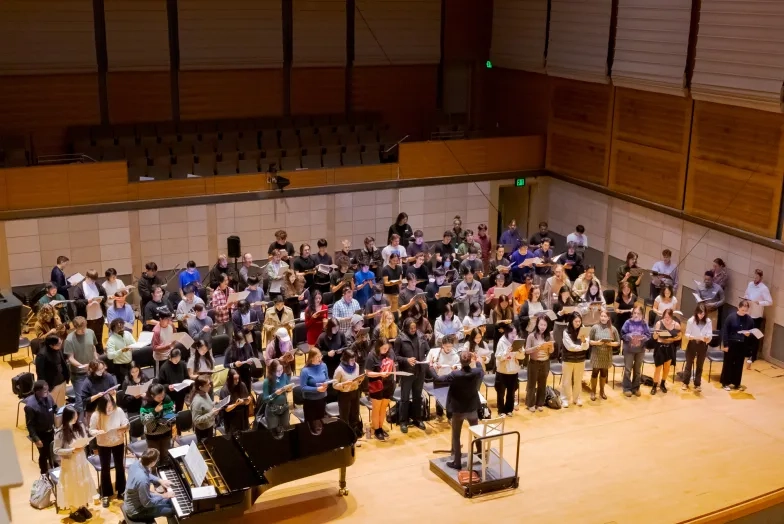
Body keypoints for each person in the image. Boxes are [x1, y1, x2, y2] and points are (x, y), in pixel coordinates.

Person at [440, 350, 483, 470]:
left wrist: (432, 368)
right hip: (472, 409)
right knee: (477, 433)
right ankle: (480, 454)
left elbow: (440, 379)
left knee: (456, 436)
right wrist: (478, 361)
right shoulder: (476, 372)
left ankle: (457, 462)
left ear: (460, 361)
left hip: (458, 410)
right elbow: (481, 370)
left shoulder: (455, 374)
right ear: (470, 360)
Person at [54, 405, 96, 522]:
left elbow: (84, 438)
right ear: (67, 417)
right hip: (70, 462)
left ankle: (81, 505)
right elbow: (56, 450)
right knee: (73, 485)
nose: (76, 419)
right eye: (73, 417)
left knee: (82, 482)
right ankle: (73, 510)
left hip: (81, 459)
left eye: (76, 416)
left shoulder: (80, 425)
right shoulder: (60, 432)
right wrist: (71, 450)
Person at [89, 394, 129, 506]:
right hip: (103, 443)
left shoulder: (119, 410)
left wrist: (124, 427)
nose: (110, 409)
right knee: (105, 468)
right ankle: (105, 494)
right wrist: (98, 432)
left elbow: (125, 422)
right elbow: (91, 430)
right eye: (107, 407)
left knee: (120, 466)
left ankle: (122, 490)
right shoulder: (96, 415)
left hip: (118, 442)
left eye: (111, 406)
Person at [394, 318, 429, 433]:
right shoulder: (400, 339)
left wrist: (429, 358)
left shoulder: (421, 335)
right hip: (407, 372)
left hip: (420, 371)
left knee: (417, 396)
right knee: (404, 398)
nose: (414, 330)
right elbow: (395, 356)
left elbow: (428, 351)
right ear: (406, 328)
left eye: (415, 328)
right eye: (411, 328)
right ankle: (403, 421)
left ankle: (417, 419)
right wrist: (406, 360)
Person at [123, 449, 175, 521]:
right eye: (156, 460)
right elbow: (147, 503)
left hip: (136, 500)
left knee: (170, 501)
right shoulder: (143, 480)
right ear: (152, 463)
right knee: (172, 510)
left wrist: (160, 480)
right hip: (137, 511)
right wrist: (163, 495)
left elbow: (146, 475)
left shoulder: (137, 463)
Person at [365, 338, 396, 441]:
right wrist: (380, 374)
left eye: (387, 348)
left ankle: (381, 427)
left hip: (388, 384)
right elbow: (368, 372)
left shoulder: (390, 352)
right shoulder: (372, 355)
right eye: (384, 348)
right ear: (378, 346)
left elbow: (393, 364)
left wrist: (394, 377)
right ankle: (377, 429)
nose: (386, 350)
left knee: (383, 408)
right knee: (376, 408)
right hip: (376, 385)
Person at [721, 300, 755, 391]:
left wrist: (749, 334)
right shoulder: (731, 317)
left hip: (742, 345)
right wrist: (726, 345)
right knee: (728, 364)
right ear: (738, 308)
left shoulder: (749, 319)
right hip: (731, 344)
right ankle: (725, 383)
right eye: (743, 310)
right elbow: (725, 332)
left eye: (746, 310)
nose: (744, 312)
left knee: (739, 364)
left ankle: (736, 383)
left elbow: (752, 332)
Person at [64, 316, 99, 407]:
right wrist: (83, 366)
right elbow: (70, 358)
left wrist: (96, 358)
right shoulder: (69, 339)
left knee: (94, 397)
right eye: (80, 329)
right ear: (75, 328)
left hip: (92, 371)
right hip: (78, 374)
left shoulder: (91, 332)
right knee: (80, 400)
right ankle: (80, 420)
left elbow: (93, 347)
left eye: (84, 328)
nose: (83, 331)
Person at [25, 380, 57, 475]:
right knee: (44, 455)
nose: (47, 392)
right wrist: (36, 439)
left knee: (54, 451)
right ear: (37, 391)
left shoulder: (49, 397)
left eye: (47, 390)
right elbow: (30, 425)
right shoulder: (30, 406)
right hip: (41, 434)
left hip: (51, 431)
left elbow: (55, 408)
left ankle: (55, 469)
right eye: (45, 391)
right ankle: (44, 474)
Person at [588, 309, 620, 401]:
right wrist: (597, 343)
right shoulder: (595, 327)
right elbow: (589, 341)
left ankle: (602, 391)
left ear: (608, 318)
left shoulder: (613, 329)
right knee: (594, 373)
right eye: (601, 316)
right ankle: (593, 391)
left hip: (606, 354)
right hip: (596, 354)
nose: (603, 318)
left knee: (604, 373)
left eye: (605, 316)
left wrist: (610, 344)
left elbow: (617, 342)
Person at [333, 349, 363, 440]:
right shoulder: (339, 370)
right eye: (351, 360)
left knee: (355, 413)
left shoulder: (356, 366)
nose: (353, 362)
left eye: (354, 359)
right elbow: (334, 385)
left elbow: (357, 379)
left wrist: (359, 381)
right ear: (346, 359)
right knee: (345, 416)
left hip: (355, 392)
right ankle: (345, 435)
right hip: (344, 395)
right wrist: (343, 384)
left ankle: (354, 433)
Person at [744, 269, 773, 366]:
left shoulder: (764, 288)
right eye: (754, 277)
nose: (755, 279)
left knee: (755, 336)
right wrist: (746, 299)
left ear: (761, 278)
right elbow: (746, 294)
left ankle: (753, 356)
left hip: (756, 315)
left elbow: (769, 302)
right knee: (747, 334)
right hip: (748, 312)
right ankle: (746, 353)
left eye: (757, 277)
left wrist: (759, 303)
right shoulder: (750, 284)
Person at [525, 314, 554, 412]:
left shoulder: (549, 335)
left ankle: (540, 403)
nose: (543, 327)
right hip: (534, 362)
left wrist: (551, 347)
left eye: (545, 325)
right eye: (541, 325)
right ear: (537, 324)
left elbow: (551, 352)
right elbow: (527, 351)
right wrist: (536, 348)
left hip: (545, 362)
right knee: (531, 384)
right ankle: (530, 404)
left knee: (542, 383)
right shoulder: (531, 336)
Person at [621, 306, 651, 397]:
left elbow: (648, 335)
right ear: (632, 313)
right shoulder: (628, 322)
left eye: (638, 313)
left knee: (637, 370)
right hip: (629, 349)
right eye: (634, 313)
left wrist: (642, 339)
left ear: (642, 315)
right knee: (628, 370)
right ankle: (627, 388)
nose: (636, 315)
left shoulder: (644, 323)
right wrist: (629, 337)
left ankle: (636, 388)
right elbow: (622, 334)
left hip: (640, 350)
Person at [300, 348, 330, 435]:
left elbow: (327, 378)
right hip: (310, 402)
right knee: (310, 425)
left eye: (320, 356)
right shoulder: (305, 371)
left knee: (321, 422)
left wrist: (326, 384)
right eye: (317, 357)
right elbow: (303, 387)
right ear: (311, 358)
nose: (320, 358)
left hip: (322, 399)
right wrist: (316, 389)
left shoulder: (323, 366)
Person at [683, 304, 712, 392]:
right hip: (692, 343)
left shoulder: (708, 321)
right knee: (689, 363)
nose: (701, 316)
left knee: (700, 365)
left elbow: (710, 334)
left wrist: (708, 338)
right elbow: (687, 333)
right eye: (700, 314)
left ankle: (697, 384)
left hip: (702, 345)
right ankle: (685, 382)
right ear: (696, 312)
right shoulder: (691, 320)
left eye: (703, 314)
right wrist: (691, 337)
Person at [651, 309, 681, 395]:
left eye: (669, 317)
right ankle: (654, 385)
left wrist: (671, 339)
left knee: (667, 367)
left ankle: (663, 384)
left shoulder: (676, 324)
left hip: (670, 347)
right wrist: (656, 334)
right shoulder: (659, 323)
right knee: (658, 367)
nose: (667, 319)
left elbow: (679, 336)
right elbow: (654, 337)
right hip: (660, 347)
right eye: (665, 317)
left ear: (672, 317)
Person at [561, 312, 588, 407]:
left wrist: (584, 342)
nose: (578, 323)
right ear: (571, 321)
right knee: (566, 381)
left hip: (580, 359)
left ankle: (577, 398)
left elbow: (587, 345)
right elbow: (570, 347)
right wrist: (582, 346)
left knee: (578, 380)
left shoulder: (584, 330)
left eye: (579, 321)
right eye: (576, 321)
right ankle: (564, 399)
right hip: (568, 359)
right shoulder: (566, 332)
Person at [494, 324, 522, 417]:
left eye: (515, 332)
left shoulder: (518, 341)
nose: (514, 335)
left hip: (513, 371)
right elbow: (498, 356)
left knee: (511, 391)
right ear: (507, 333)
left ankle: (509, 409)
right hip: (502, 371)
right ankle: (501, 410)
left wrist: (520, 353)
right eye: (511, 332)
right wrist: (507, 353)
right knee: (501, 392)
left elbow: (522, 356)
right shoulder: (501, 342)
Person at [140, 383, 174, 456]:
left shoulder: (167, 399)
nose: (161, 398)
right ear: (152, 396)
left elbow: (172, 412)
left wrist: (168, 418)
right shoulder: (146, 404)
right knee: (155, 459)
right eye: (159, 397)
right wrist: (155, 411)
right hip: (152, 435)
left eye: (163, 395)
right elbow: (144, 421)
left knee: (167, 456)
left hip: (166, 432)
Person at [35, 335, 69, 406]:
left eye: (61, 342)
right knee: (51, 406)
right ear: (51, 345)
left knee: (61, 405)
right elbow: (40, 373)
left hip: (62, 382)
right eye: (58, 344)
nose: (60, 345)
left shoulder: (58, 349)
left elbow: (63, 363)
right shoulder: (42, 355)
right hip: (51, 385)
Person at [261, 359, 291, 439]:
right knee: (275, 432)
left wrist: (289, 388)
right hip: (272, 410)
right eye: (277, 370)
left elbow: (288, 385)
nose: (280, 372)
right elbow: (265, 399)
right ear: (272, 370)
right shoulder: (267, 381)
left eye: (281, 369)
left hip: (284, 408)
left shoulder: (284, 376)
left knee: (284, 429)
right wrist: (275, 394)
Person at [220, 368, 251, 434]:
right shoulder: (224, 390)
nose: (237, 381)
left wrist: (248, 401)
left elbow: (246, 403)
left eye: (238, 378)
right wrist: (236, 404)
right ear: (229, 378)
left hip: (243, 416)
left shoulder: (242, 385)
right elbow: (227, 409)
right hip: (231, 418)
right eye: (235, 379)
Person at [189, 375, 218, 440]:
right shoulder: (197, 402)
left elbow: (205, 407)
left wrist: (213, 403)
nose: (210, 386)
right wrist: (211, 413)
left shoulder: (205, 393)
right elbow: (196, 420)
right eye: (208, 385)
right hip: (203, 432)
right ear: (200, 387)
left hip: (209, 426)